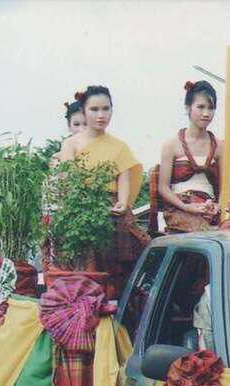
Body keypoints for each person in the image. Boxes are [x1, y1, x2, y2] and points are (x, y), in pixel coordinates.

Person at [58, 85, 148, 298]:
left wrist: (122, 202)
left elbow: (124, 176)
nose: (101, 115)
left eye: (106, 109)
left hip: (113, 209)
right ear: (84, 111)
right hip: (82, 210)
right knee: (88, 266)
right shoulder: (71, 144)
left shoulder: (119, 146)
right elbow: (69, 181)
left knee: (138, 250)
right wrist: (87, 207)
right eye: (94, 109)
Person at [153, 81, 222, 234]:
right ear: (188, 108)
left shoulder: (220, 146)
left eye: (211, 108)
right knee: (203, 234)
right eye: (200, 107)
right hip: (180, 207)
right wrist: (186, 207)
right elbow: (163, 187)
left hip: (209, 208)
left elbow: (225, 187)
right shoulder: (171, 145)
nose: (206, 113)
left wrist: (218, 206)